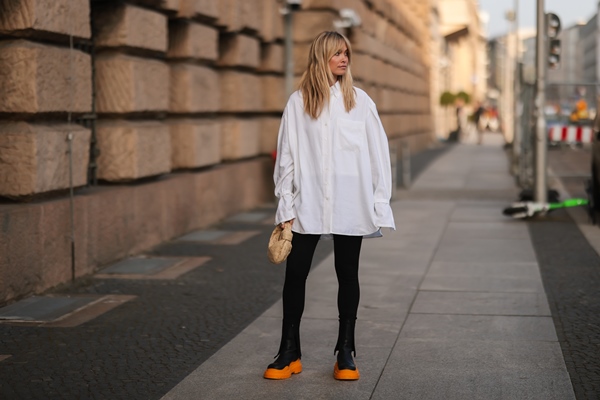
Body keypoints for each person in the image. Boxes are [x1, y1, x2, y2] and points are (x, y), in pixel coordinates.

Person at [264, 31, 396, 381]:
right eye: (336, 53)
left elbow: (378, 156)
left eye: (346, 53)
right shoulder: (299, 102)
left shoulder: (360, 101)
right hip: (307, 204)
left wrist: (379, 204)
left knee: (347, 274)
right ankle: (289, 350)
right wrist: (286, 204)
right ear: (321, 57)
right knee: (295, 275)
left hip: (350, 203)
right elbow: (287, 157)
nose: (344, 59)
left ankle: (346, 351)